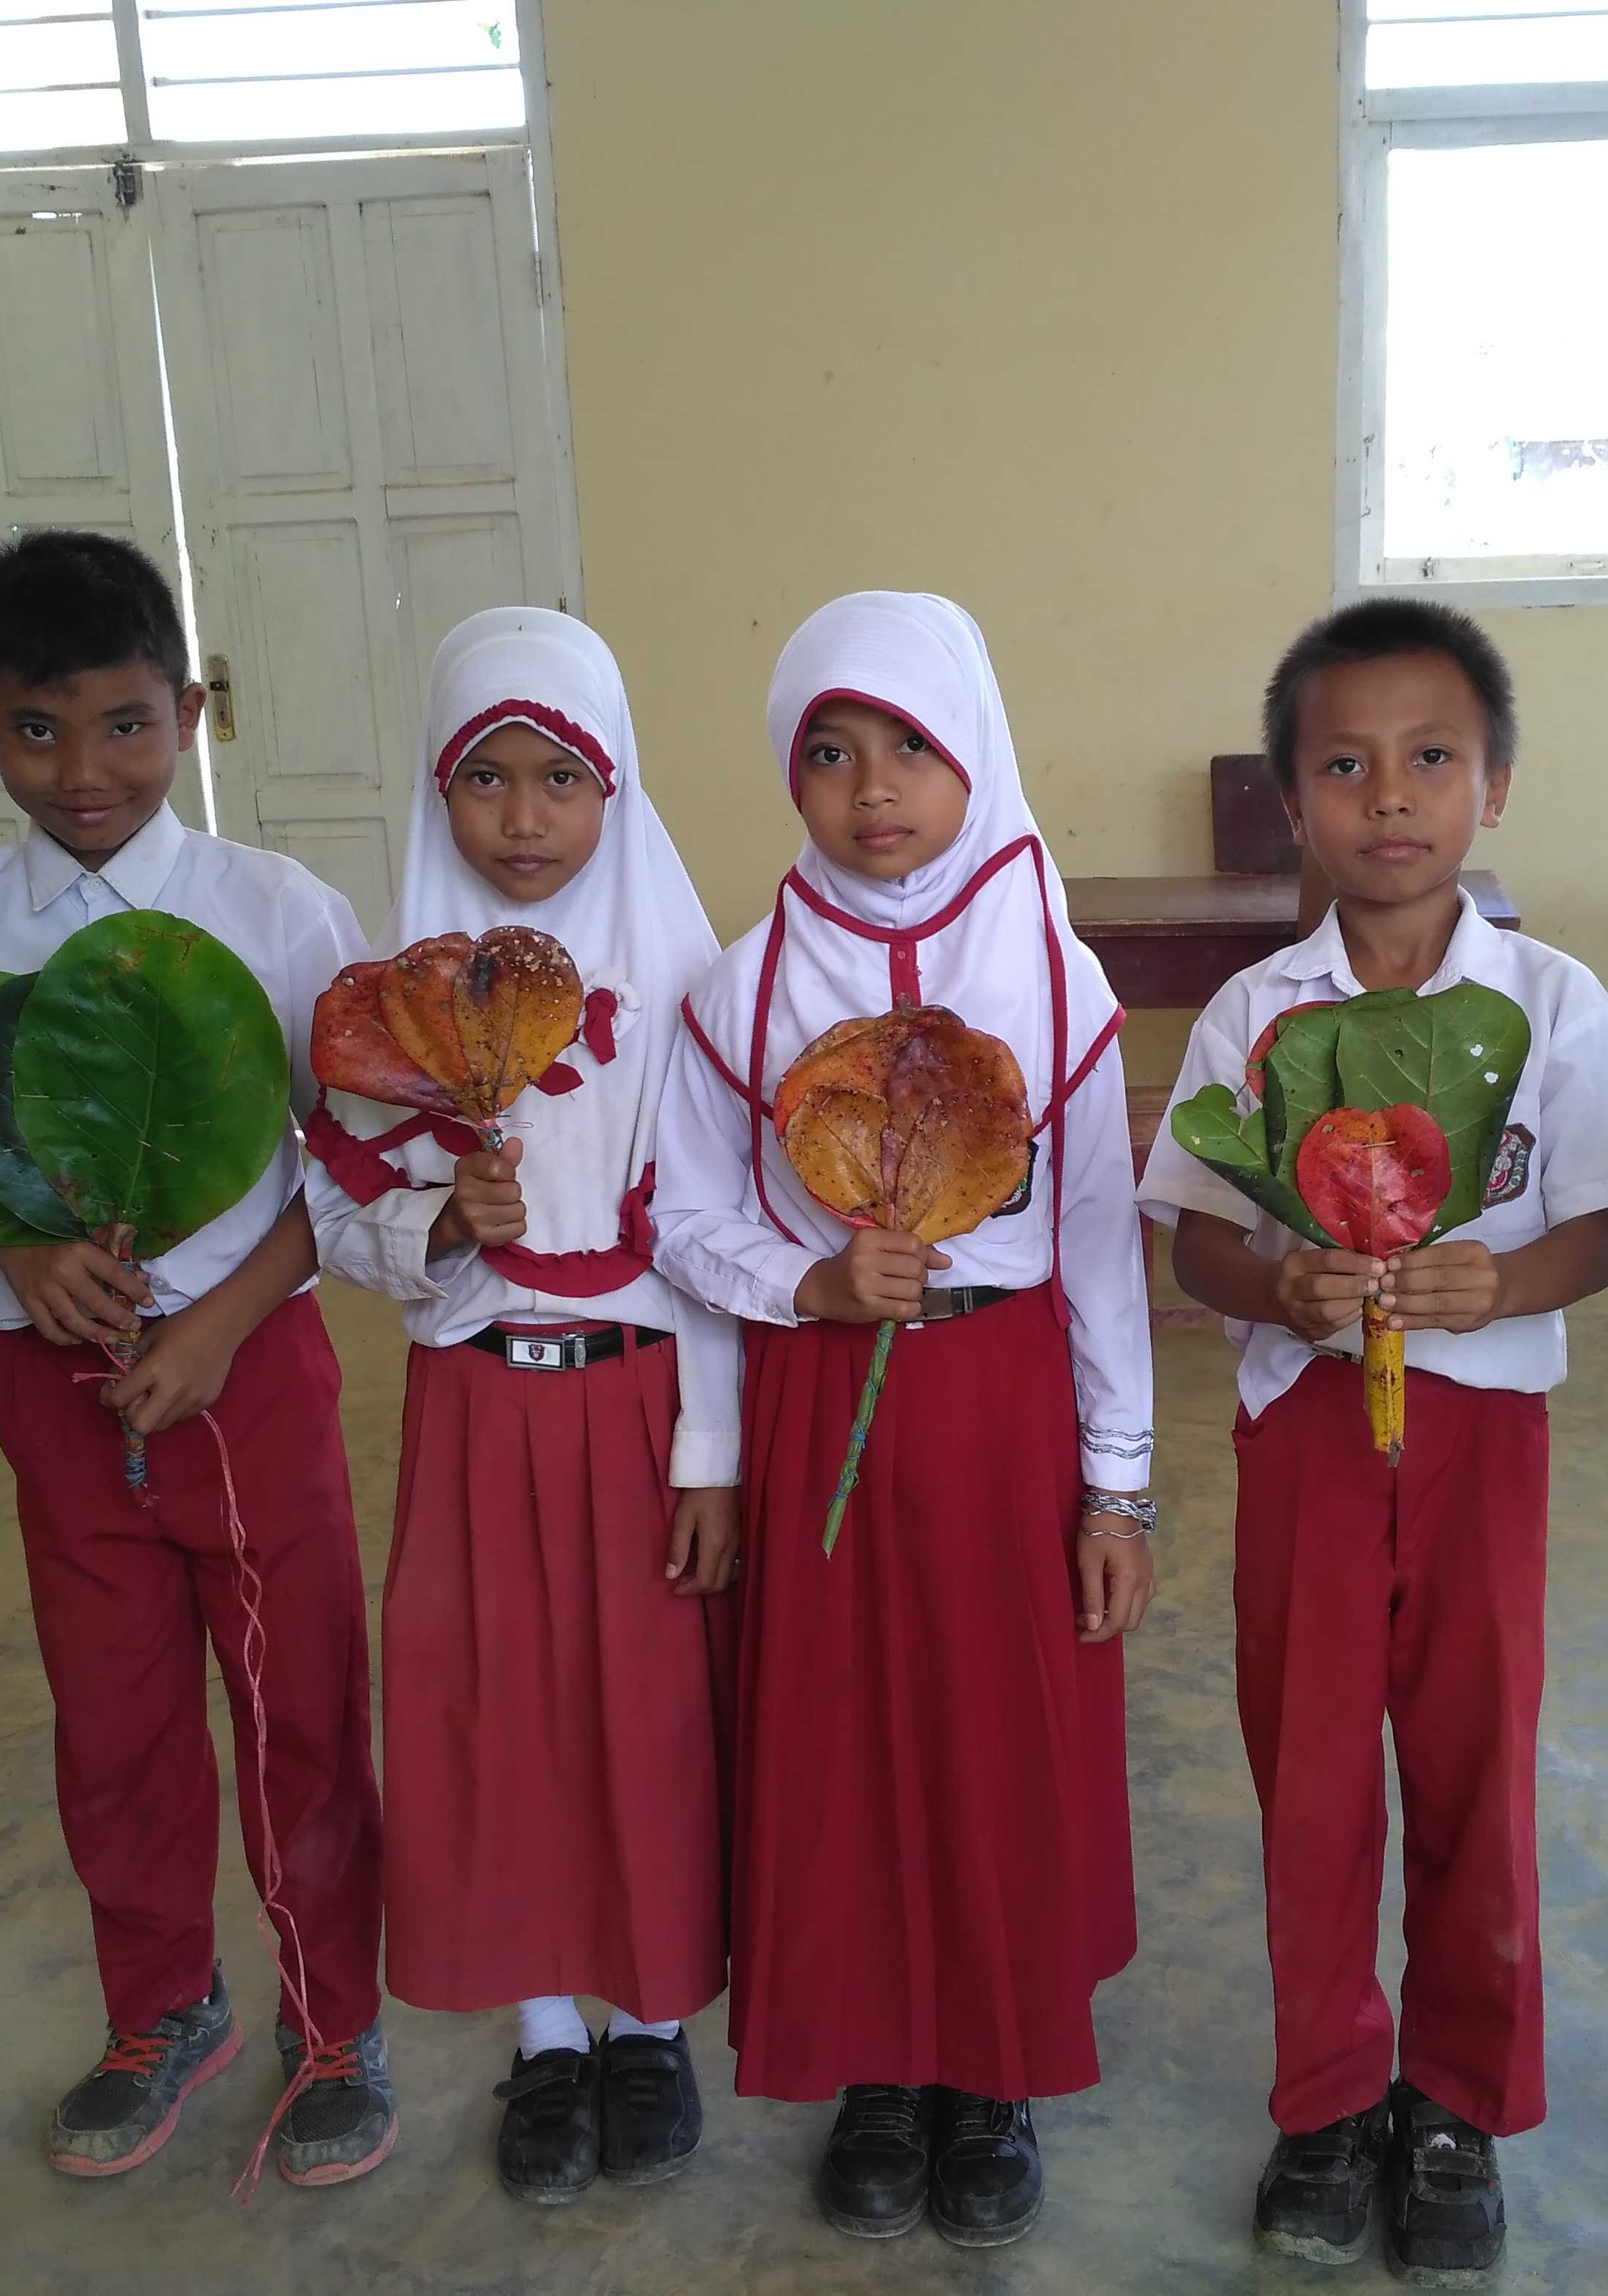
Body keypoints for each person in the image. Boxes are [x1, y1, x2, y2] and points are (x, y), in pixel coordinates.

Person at [1140, 597, 1608, 2281]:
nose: (1389, 797)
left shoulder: (1551, 1000)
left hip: (1479, 1437)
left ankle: (1455, 2102)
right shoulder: (1254, 1017)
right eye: (1344, 765)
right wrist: (1276, 1281)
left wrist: (1495, 1278)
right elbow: (1188, 1235)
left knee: (1471, 1767)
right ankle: (1323, 2097)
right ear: (1291, 803)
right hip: (1306, 1440)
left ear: (1492, 786)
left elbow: (1595, 1231)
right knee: (1308, 1779)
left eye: (1429, 759)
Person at [0, 531, 390, 2188]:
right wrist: (20, 1259)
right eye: (37, 730)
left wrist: (221, 1320)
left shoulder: (279, 912)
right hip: (54, 1390)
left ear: (186, 712)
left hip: (248, 1372)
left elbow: (351, 1176)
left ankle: (336, 2024)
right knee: (114, 1721)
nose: (82, 769)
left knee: (296, 1704)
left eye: (120, 725)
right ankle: (162, 2008)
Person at [651, 591, 1153, 2251]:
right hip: (827, 1404)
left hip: (997, 1404)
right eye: (828, 751)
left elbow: (1090, 1240)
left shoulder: (1055, 973)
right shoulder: (745, 988)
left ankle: (987, 2070)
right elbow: (680, 1217)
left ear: (976, 754)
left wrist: (1118, 1486)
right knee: (847, 1730)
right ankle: (874, 2065)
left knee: (988, 1732)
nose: (874, 788)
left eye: (912, 748)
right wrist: (802, 1286)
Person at [303, 608, 740, 2205]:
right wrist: (436, 1225)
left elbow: (711, 1248)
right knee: (498, 1714)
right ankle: (547, 2036)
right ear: (438, 797)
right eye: (483, 779)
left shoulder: (690, 985)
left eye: (560, 777)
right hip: (477, 1408)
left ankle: (649, 2021)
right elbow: (339, 1214)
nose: (522, 818)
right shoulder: (398, 1007)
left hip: (636, 1409)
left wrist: (711, 1451)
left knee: (642, 1720)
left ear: (613, 787)